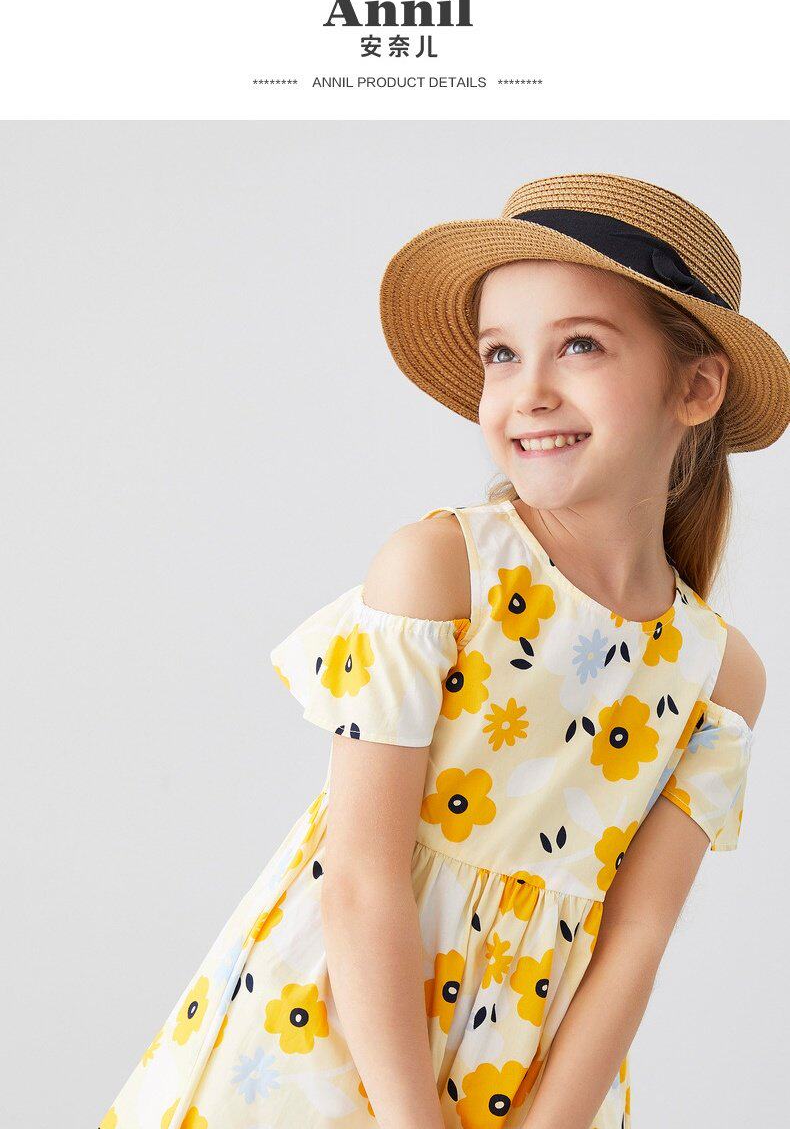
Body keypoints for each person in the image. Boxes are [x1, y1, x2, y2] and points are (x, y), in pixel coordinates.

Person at [101, 172, 788, 1129]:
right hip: (329, 1045)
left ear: (696, 386)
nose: (528, 391)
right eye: (501, 353)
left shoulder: (718, 676)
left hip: (529, 1076)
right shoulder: (441, 572)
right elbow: (362, 879)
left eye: (580, 344)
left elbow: (636, 939)